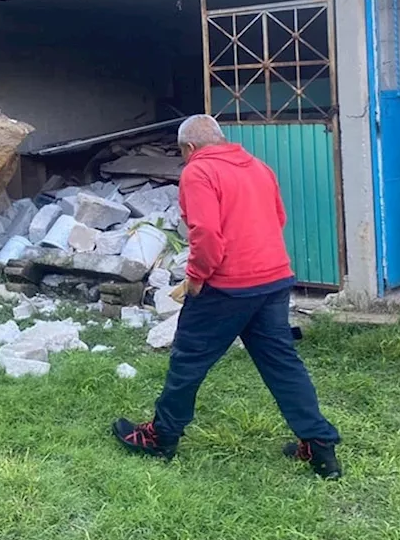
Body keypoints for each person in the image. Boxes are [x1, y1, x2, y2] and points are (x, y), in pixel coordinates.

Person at [111, 114, 342, 479]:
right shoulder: (259, 167)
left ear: (189, 148)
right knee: (282, 364)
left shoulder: (198, 172)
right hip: (274, 279)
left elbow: (206, 234)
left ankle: (161, 437)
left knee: (188, 363)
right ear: (220, 138)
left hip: (228, 286)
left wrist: (197, 278)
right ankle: (319, 445)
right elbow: (277, 218)